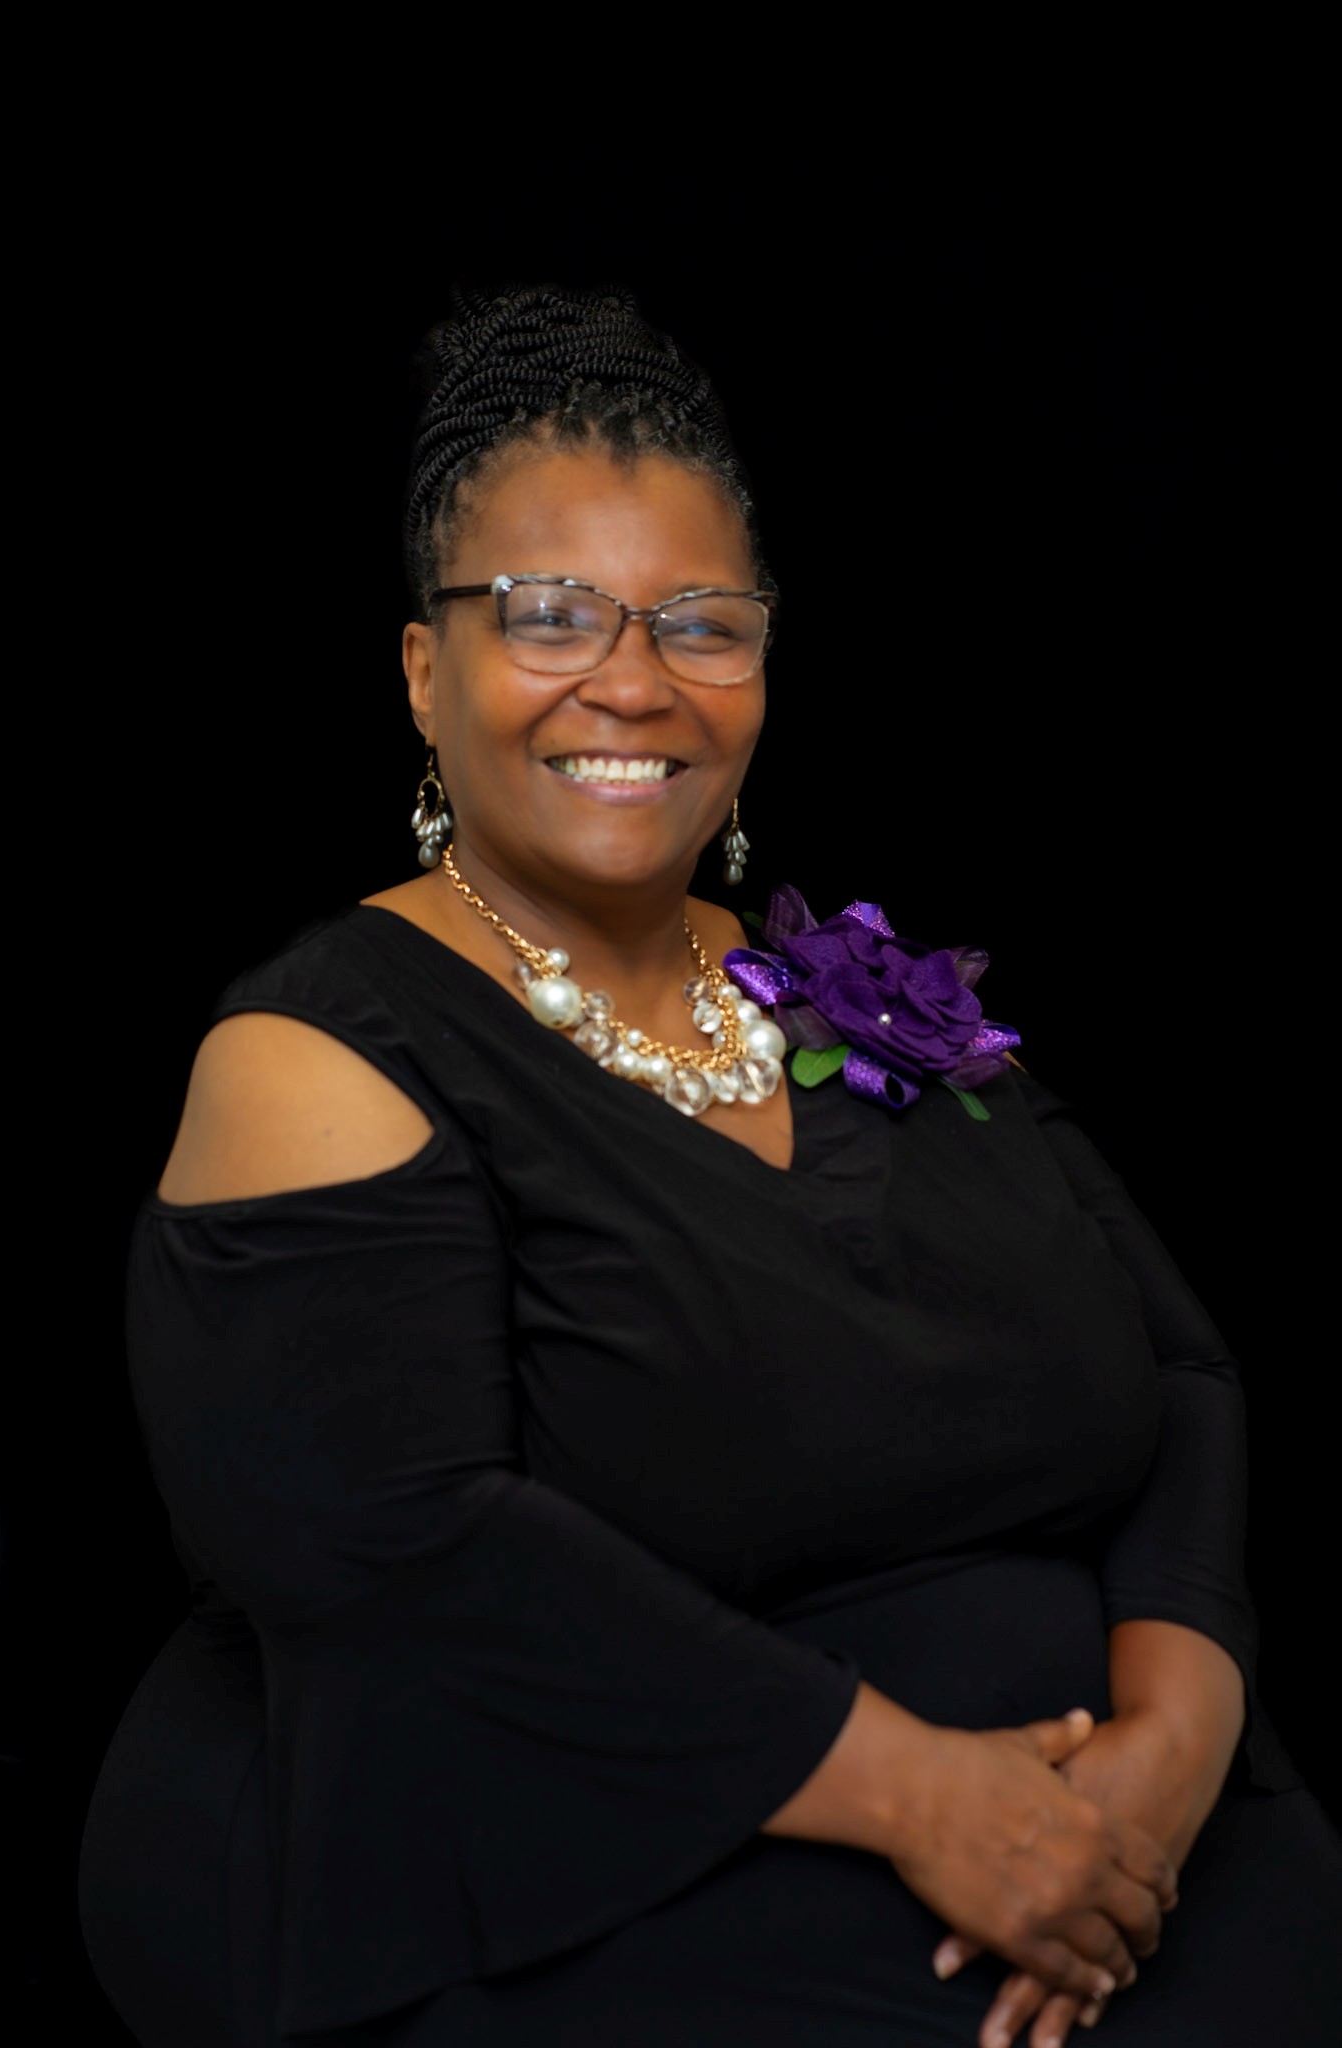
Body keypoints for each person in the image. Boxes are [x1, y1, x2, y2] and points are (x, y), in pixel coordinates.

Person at [79, 284, 1341, 2048]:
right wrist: (933, 1802)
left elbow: (1180, 1373)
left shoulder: (850, 987)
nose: (633, 680)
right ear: (424, 674)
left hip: (1115, 1857)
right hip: (558, 1876)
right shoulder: (320, 1053)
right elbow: (407, 1566)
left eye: (700, 624)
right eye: (547, 615)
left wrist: (1170, 1748)